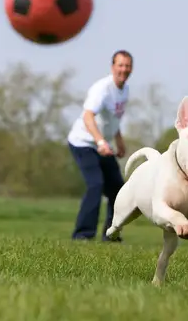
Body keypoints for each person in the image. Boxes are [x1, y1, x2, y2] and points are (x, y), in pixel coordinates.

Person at [67, 50, 133, 242]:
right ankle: (82, 235)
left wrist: (119, 140)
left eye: (127, 66)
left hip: (102, 144)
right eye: (120, 65)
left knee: (118, 190)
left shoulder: (125, 90)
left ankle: (111, 235)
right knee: (95, 184)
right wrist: (101, 141)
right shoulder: (102, 89)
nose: (124, 69)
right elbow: (88, 116)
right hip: (83, 143)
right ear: (113, 67)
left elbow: (114, 119)